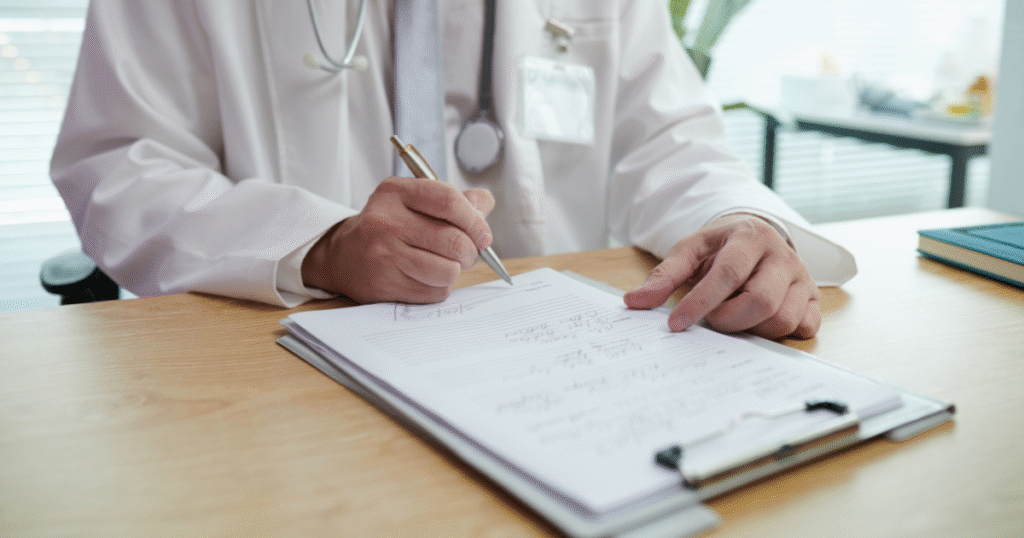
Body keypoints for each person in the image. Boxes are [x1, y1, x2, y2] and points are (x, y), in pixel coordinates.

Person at [51, 0, 855, 340]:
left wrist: (741, 224)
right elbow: (120, 160)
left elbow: (667, 140)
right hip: (288, 372)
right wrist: (319, 243)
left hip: (555, 370)